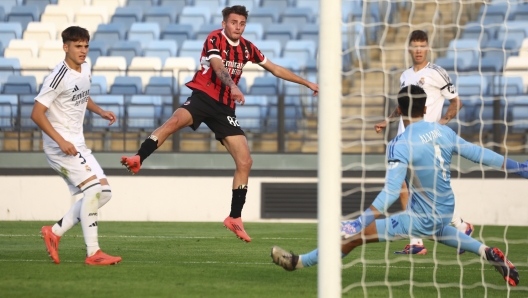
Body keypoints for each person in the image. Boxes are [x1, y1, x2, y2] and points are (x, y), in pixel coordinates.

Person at [271, 85, 525, 287]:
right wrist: (517, 167)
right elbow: (479, 154)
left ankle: (298, 262)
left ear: (400, 110)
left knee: (351, 238)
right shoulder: (443, 131)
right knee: (438, 230)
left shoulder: (400, 143)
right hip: (446, 209)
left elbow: (392, 191)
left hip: (420, 218)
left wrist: (361, 220)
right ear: (425, 108)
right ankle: (486, 251)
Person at [120, 5, 318, 242]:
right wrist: (233, 86)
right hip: (203, 97)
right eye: (234, 22)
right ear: (224, 23)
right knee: (174, 121)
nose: (238, 27)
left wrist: (307, 83)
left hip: (225, 109)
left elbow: (274, 68)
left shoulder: (247, 48)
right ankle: (138, 158)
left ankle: (235, 217)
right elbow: (217, 65)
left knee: (245, 161)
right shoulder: (214, 38)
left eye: (242, 23)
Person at [374, 30, 471, 255]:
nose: (418, 50)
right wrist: (387, 120)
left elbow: (457, 102)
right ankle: (422, 239)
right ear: (409, 48)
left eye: (422, 46)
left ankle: (455, 228)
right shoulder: (405, 76)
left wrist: (442, 124)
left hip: (426, 139)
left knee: (425, 189)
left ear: (427, 48)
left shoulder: (437, 73)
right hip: (406, 139)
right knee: (407, 188)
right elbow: (403, 105)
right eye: (415, 46)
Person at [31, 26, 122, 265]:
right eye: (78, 46)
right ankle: (93, 253)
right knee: (93, 190)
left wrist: (100, 111)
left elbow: (82, 94)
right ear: (66, 47)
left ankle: (55, 232)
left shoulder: (85, 68)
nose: (83, 51)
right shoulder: (57, 76)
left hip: (77, 143)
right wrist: (60, 141)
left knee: (104, 193)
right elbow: (37, 113)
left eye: (85, 46)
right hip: (59, 146)